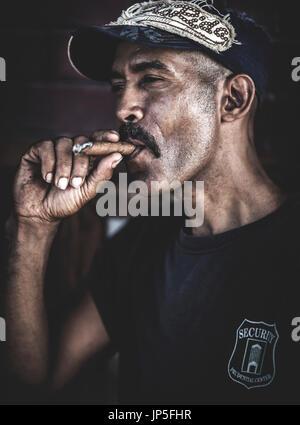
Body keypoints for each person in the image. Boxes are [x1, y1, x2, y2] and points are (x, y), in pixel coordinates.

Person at [4, 0, 300, 404]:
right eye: (117, 85)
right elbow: (35, 382)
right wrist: (32, 226)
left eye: (152, 79)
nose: (122, 107)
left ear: (232, 99)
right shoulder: (137, 247)